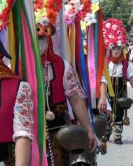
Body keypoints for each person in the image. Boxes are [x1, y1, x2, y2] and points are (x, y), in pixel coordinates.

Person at [38, 33, 97, 165]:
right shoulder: (19, 65)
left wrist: (89, 130)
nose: (38, 43)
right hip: (30, 134)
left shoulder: (62, 66)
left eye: (41, 38)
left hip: (59, 133)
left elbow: (76, 100)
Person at [102, 18, 133, 145]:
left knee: (119, 113)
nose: (116, 51)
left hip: (121, 90)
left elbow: (131, 77)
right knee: (107, 112)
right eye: (114, 49)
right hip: (108, 89)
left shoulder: (125, 63)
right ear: (110, 50)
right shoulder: (106, 63)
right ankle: (106, 134)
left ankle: (117, 135)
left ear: (122, 49)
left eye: (118, 49)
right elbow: (102, 79)